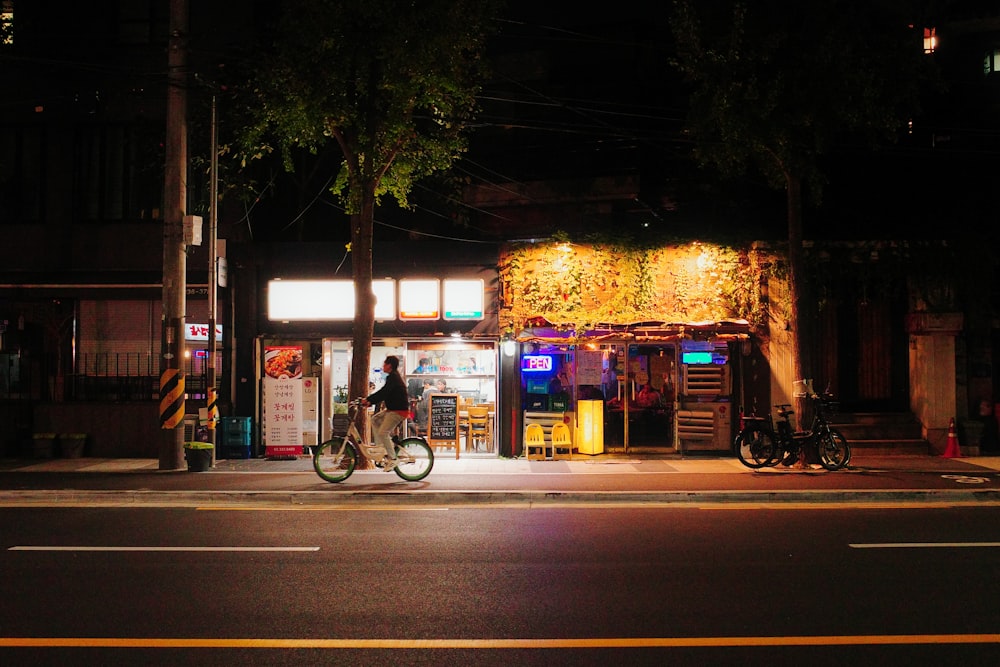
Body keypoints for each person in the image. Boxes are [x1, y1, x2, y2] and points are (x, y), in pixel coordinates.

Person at [362, 355, 409, 471]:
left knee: (383, 432)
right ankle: (381, 447)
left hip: (398, 411)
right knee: (375, 419)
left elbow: (384, 393)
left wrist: (369, 400)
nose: (383, 366)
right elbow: (384, 393)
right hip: (392, 409)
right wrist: (369, 400)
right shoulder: (392, 377)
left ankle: (393, 459)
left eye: (384, 364)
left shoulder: (393, 378)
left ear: (389, 365)